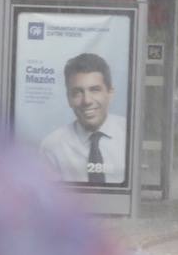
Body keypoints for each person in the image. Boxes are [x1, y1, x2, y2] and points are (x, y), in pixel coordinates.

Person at [40, 53, 127, 184]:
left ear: (110, 93)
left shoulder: (129, 135)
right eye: (77, 92)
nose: (86, 101)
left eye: (95, 90)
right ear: (68, 98)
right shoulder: (52, 147)